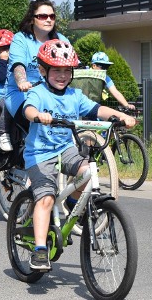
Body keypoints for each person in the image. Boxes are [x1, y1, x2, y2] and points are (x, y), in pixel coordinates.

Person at [23, 40, 136, 271]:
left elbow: (97, 109)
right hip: (40, 154)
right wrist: (37, 115)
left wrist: (119, 115)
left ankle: (75, 202)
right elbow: (29, 109)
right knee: (46, 197)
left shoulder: (75, 95)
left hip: (66, 149)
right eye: (56, 70)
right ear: (44, 70)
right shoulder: (38, 92)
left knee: (87, 172)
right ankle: (40, 249)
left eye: (67, 70)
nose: (62, 75)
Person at [3, 0, 69, 134]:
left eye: (52, 16)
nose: (49, 20)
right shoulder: (21, 39)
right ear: (32, 19)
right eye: (43, 16)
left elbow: (72, 65)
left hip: (51, 93)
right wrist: (22, 82)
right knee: (39, 128)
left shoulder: (61, 40)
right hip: (21, 93)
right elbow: (18, 64)